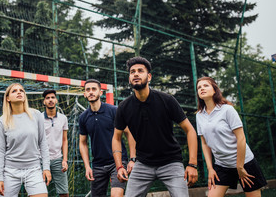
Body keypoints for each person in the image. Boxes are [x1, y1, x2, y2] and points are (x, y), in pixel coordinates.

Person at [113, 56, 198, 197]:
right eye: (132, 71)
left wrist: (192, 164)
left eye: (140, 71)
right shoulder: (124, 107)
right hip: (143, 163)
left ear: (149, 76)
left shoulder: (167, 100)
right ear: (129, 78)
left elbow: (190, 130)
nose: (135, 74)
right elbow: (116, 137)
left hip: (171, 162)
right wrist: (119, 166)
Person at [196, 77, 267, 197]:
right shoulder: (199, 115)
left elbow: (241, 138)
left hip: (245, 163)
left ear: (214, 90)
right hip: (222, 166)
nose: (202, 88)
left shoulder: (227, 110)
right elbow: (204, 143)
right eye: (199, 87)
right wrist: (210, 168)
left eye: (206, 85)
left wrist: (239, 166)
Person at [79, 79, 136, 197]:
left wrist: (132, 158)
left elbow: (129, 133)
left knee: (116, 195)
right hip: (98, 165)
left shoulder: (114, 111)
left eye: (94, 89)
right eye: (87, 90)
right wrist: (87, 166)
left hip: (118, 162)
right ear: (84, 94)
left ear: (100, 92)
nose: (90, 92)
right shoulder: (83, 117)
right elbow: (82, 143)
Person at [0, 83, 51, 197]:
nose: (19, 92)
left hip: (33, 169)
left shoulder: (36, 115)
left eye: (21, 90)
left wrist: (46, 167)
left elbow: (43, 143)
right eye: (14, 91)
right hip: (10, 171)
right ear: (8, 98)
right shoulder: (2, 121)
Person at [42, 89, 69, 197]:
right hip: (41, 159)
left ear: (56, 100)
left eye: (52, 97)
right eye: (47, 98)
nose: (50, 100)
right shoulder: (38, 118)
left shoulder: (63, 118)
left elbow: (65, 140)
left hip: (58, 159)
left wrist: (65, 160)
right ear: (44, 102)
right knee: (38, 192)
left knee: (64, 193)